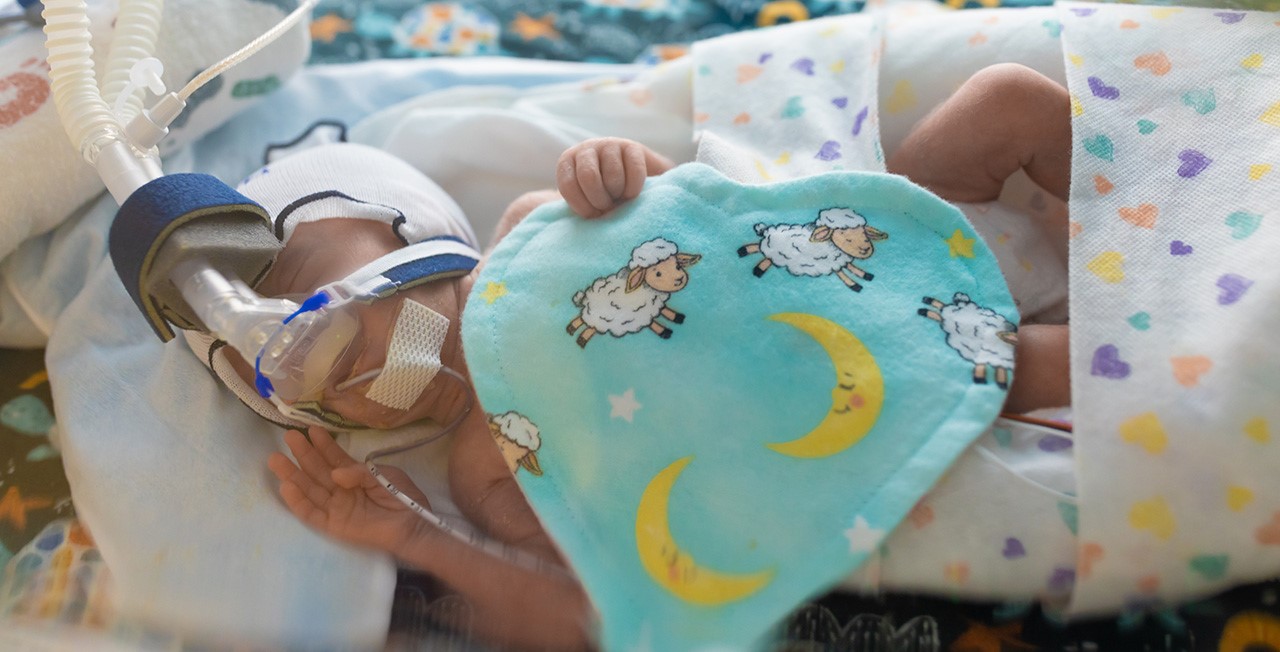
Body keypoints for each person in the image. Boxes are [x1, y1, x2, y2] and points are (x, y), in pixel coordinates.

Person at [264, 62, 1071, 651]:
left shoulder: (531, 222)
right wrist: (420, 539)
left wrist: (617, 168)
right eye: (304, 375)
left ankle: (1166, 227)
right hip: (882, 368)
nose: (344, 370)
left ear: (416, 233)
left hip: (858, 241)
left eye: (333, 317)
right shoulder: (488, 471)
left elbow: (696, 211)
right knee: (1050, 365)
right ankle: (1173, 330)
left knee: (1007, 100)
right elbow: (597, 609)